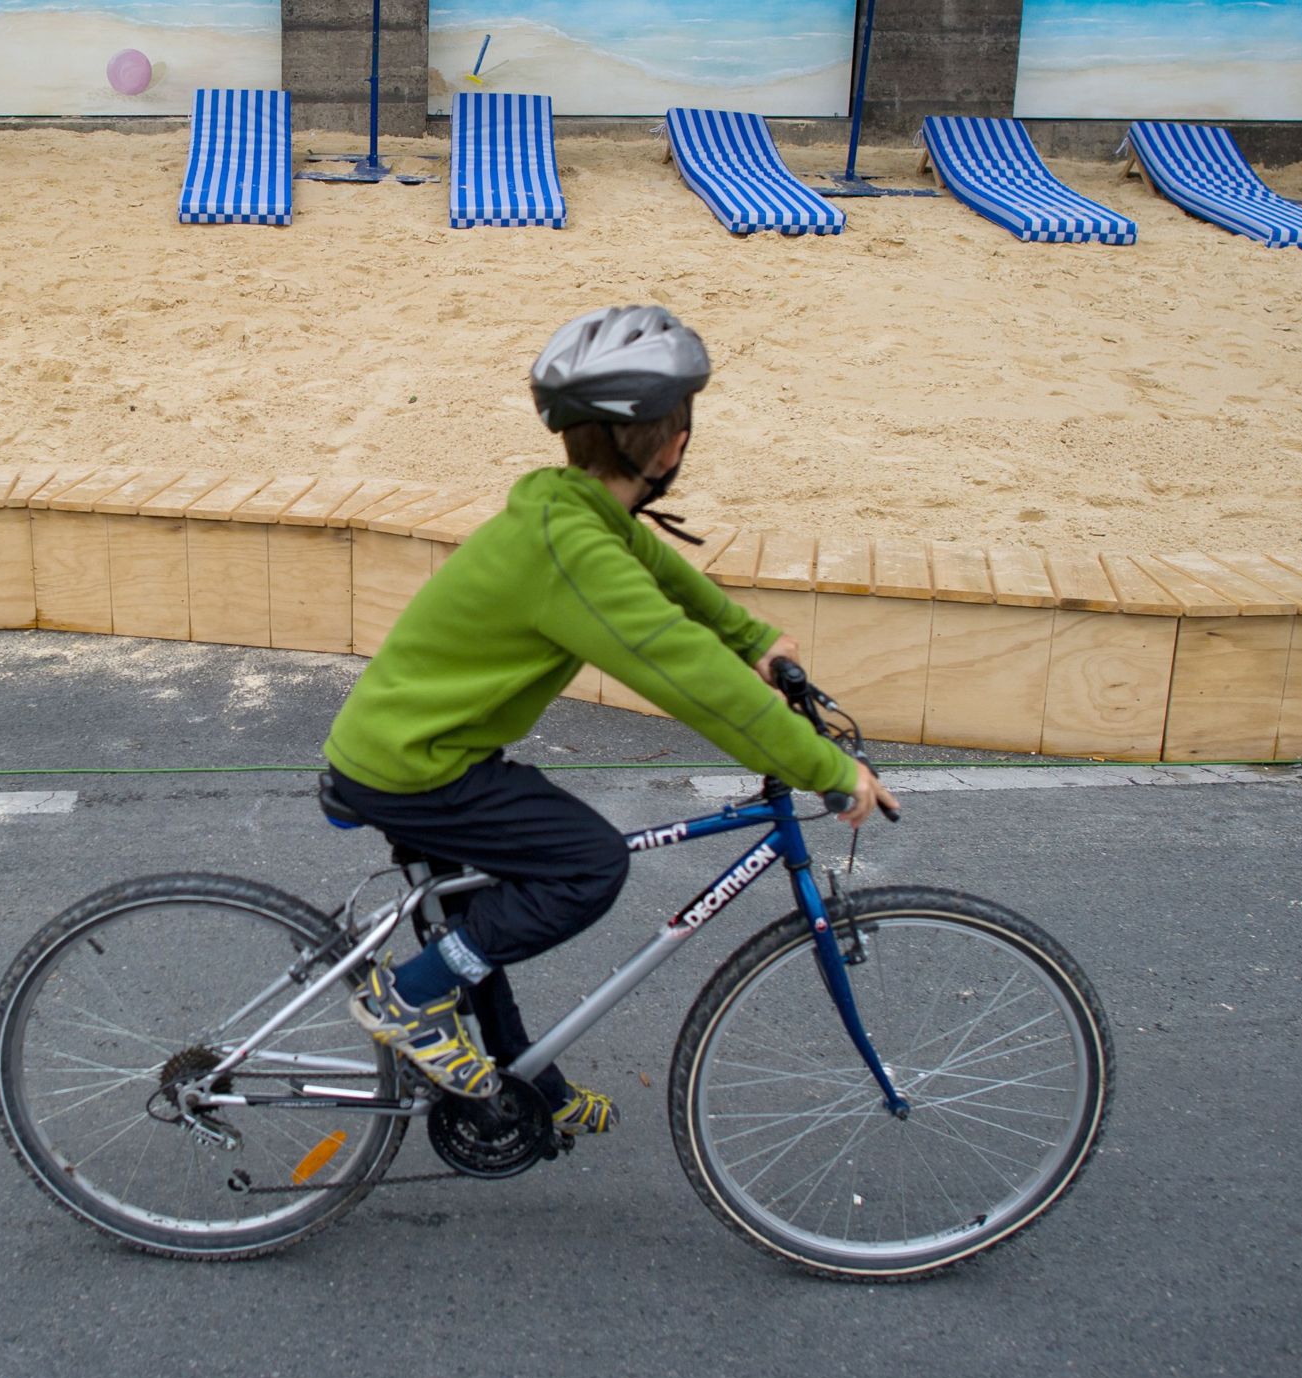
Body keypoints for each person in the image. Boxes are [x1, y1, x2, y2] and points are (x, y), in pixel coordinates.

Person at [322, 305, 897, 1135]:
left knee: (483, 925)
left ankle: (528, 1093)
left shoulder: (570, 509)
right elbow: (690, 679)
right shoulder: (575, 553)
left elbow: (660, 570)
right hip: (416, 767)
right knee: (586, 863)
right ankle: (405, 998)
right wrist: (827, 767)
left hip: (413, 749)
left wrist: (754, 640)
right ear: (671, 444)